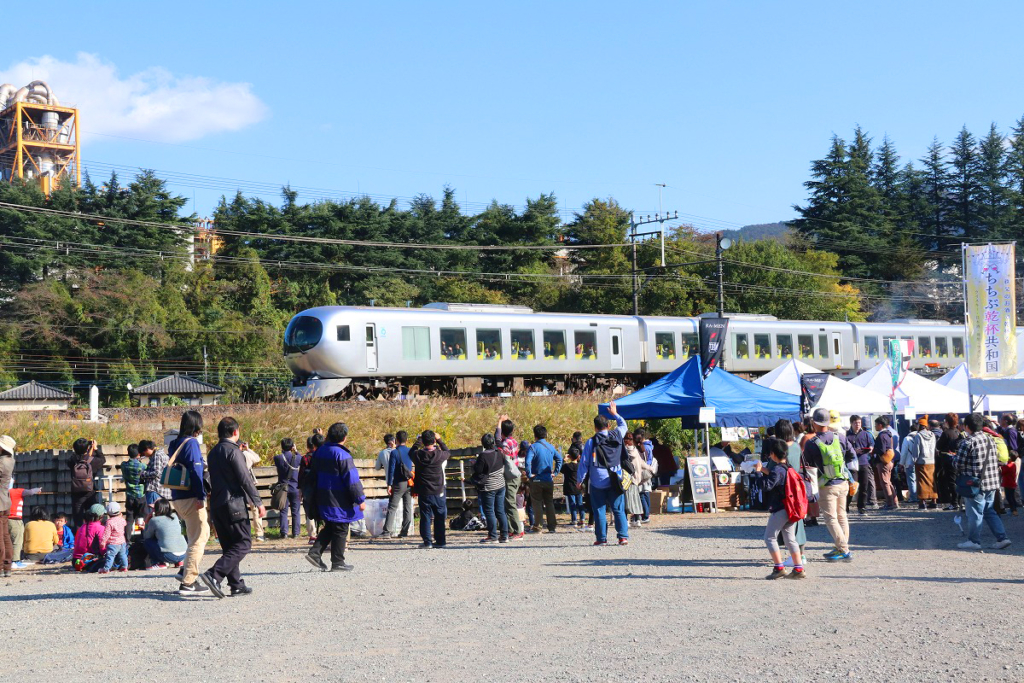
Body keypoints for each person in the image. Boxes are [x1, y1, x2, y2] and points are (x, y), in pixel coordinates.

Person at [201, 417, 266, 597]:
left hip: (216, 504)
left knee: (230, 546)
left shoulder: (213, 452)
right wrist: (258, 502)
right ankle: (214, 574)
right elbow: (245, 478)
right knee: (244, 543)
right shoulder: (233, 451)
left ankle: (236, 585)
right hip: (233, 504)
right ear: (235, 432)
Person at [305, 423, 366, 570]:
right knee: (341, 528)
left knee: (331, 526)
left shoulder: (320, 451)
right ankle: (338, 562)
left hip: (322, 495)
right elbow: (351, 479)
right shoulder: (342, 455)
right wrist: (360, 499)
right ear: (344, 437)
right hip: (338, 498)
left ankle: (315, 552)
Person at [167, 410, 211, 596]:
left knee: (197, 535)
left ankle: (183, 571)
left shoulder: (175, 443)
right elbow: (195, 470)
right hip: (192, 497)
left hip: (177, 496)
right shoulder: (192, 443)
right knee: (198, 539)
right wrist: (201, 495)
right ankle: (188, 582)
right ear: (197, 426)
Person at [955, 413, 1012, 551]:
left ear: (967, 427)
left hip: (975, 483)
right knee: (989, 511)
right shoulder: (990, 439)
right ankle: (1002, 538)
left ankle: (974, 541)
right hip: (992, 481)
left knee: (975, 513)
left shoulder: (967, 442)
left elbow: (958, 464)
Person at [577, 401, 631, 546]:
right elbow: (624, 425)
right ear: (608, 426)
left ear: (595, 428)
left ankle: (601, 539)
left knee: (599, 510)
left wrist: (580, 479)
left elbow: (584, 463)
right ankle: (623, 537)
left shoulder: (591, 442)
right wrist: (615, 413)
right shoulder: (617, 434)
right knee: (618, 509)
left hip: (597, 481)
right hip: (616, 478)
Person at [804, 407, 852, 561]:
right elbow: (851, 455)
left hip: (826, 484)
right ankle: (841, 547)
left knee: (831, 518)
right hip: (843, 481)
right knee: (842, 516)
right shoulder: (840, 437)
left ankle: (843, 549)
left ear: (814, 423)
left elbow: (808, 465)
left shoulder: (812, 443)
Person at [754, 438, 806, 579]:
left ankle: (779, 567)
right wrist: (764, 470)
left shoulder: (777, 469)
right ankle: (798, 568)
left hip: (781, 508)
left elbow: (766, 486)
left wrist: (758, 473)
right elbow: (774, 477)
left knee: (770, 537)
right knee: (790, 539)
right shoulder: (787, 467)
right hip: (791, 508)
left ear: (773, 454)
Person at [410, 430, 450, 549]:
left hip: (424, 491)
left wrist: (418, 441)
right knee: (439, 516)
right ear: (433, 441)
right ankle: (441, 540)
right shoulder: (439, 455)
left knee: (426, 516)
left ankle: (427, 542)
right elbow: (448, 452)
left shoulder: (418, 455)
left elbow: (411, 451)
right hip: (438, 490)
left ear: (423, 442)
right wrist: (440, 440)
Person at [525, 425, 562, 534]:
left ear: (535, 435)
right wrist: (555, 473)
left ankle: (538, 527)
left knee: (537, 503)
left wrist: (529, 474)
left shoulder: (533, 447)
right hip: (548, 479)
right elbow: (559, 459)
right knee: (549, 502)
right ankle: (552, 527)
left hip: (536, 479)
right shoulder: (551, 447)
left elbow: (527, 462)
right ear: (545, 434)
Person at [472, 433, 508, 543]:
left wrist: (474, 463)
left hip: (489, 486)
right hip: (501, 484)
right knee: (500, 510)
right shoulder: (499, 453)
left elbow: (478, 470)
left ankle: (493, 536)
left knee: (489, 511)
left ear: (483, 443)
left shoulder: (483, 455)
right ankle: (504, 535)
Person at [496, 414, 524, 539]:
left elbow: (497, 440)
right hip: (514, 474)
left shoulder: (505, 443)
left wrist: (499, 422)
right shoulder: (513, 441)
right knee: (508, 502)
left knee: (510, 502)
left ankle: (518, 530)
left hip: (510, 476)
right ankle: (512, 529)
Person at [68, 438, 106, 529]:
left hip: (76, 493)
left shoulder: (72, 460)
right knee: (93, 517)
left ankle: (79, 538)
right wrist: (95, 448)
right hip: (90, 492)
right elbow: (102, 459)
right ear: (87, 448)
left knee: (78, 519)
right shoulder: (92, 460)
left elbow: (77, 458)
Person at [384, 430, 414, 539]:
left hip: (398, 483)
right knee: (408, 507)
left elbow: (391, 470)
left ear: (396, 440)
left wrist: (389, 484)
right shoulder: (411, 451)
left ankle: (387, 531)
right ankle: (404, 531)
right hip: (409, 483)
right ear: (406, 440)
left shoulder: (394, 452)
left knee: (392, 507)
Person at [6, 479, 42, 568]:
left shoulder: (3, 493)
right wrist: (38, 489)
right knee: (17, 541)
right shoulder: (16, 491)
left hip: (4, 519)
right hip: (15, 519)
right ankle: (15, 561)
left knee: (6, 541)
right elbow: (30, 492)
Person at [142, 498, 187, 568]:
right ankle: (178, 562)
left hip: (169, 556)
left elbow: (147, 536)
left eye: (153, 508)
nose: (152, 510)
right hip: (183, 554)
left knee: (147, 542)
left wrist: (147, 522)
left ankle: (159, 563)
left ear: (157, 509)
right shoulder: (175, 516)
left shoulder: (154, 520)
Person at [273, 438, 303, 539]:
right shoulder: (297, 458)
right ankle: (296, 533)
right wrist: (296, 451)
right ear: (292, 446)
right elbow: (302, 459)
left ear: (281, 446)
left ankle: (284, 533)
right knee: (296, 511)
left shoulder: (277, 458)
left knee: (283, 511)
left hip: (283, 488)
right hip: (295, 487)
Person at [623, 432, 653, 527]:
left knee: (626, 501)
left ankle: (626, 521)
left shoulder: (623, 451)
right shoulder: (635, 451)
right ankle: (637, 520)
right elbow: (642, 463)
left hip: (627, 480)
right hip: (636, 480)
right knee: (636, 500)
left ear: (625, 441)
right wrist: (651, 469)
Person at [298, 433, 325, 542]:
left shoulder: (305, 458)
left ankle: (312, 535)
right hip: (320, 487)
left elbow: (301, 474)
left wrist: (300, 489)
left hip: (308, 489)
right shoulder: (322, 456)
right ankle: (324, 533)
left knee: (309, 511)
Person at [847, 415, 876, 513]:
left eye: (859, 423)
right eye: (855, 423)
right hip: (852, 463)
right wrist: (854, 451)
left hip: (864, 462)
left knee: (864, 485)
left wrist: (870, 448)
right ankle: (846, 505)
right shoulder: (847, 435)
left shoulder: (866, 434)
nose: (858, 425)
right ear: (851, 423)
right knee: (852, 486)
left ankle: (861, 506)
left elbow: (871, 444)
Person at [908, 419, 938, 509]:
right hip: (931, 461)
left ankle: (922, 502)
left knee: (921, 482)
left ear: (920, 426)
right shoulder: (932, 435)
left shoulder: (918, 436)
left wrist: (913, 460)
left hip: (921, 461)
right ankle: (934, 501)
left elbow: (916, 450)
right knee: (932, 481)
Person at [937, 413, 964, 510]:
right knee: (957, 480)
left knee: (951, 482)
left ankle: (954, 502)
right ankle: (959, 501)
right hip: (958, 458)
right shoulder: (959, 432)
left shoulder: (946, 433)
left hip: (948, 459)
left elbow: (939, 446)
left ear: (947, 422)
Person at [239, 442, 265, 542]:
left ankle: (243, 533)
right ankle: (259, 534)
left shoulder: (232, 453)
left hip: (237, 485)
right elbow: (257, 458)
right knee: (255, 509)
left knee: (240, 509)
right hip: (249, 483)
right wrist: (248, 449)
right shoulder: (246, 454)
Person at [872, 416, 899, 511]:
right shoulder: (889, 434)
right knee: (889, 482)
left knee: (885, 483)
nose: (875, 426)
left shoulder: (881, 435)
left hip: (883, 461)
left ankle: (890, 503)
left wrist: (873, 450)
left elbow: (881, 450)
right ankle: (894, 501)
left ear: (880, 425)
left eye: (876, 425)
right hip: (890, 460)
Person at [120, 444, 147, 534]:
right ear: (139, 454)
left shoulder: (123, 465)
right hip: (140, 494)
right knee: (142, 517)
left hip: (129, 495)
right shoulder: (141, 466)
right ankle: (142, 537)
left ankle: (128, 539)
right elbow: (146, 470)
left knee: (129, 518)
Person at [140, 439, 171, 515]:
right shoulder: (162, 454)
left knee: (153, 515)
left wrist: (142, 474)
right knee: (162, 515)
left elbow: (156, 473)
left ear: (147, 449)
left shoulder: (157, 455)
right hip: (162, 490)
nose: (144, 455)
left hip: (155, 490)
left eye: (143, 453)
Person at [72, 504, 106, 573]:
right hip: (89, 560)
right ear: (101, 516)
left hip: (75, 561)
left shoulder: (82, 527)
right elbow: (102, 547)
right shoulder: (100, 528)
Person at [98, 501, 128, 574]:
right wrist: (120, 516)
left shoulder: (109, 522)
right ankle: (125, 566)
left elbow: (106, 533)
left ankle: (106, 569)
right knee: (123, 555)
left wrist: (103, 542)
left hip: (113, 543)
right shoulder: (122, 520)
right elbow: (125, 523)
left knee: (110, 556)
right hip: (122, 541)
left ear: (108, 513)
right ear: (119, 511)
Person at [0, 435, 14, 577]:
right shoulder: (10, 460)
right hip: (5, 500)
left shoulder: (1, 462)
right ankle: (7, 567)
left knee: (1, 537)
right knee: (5, 535)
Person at [635, 428, 655, 522]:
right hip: (649, 472)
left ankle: (645, 515)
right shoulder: (650, 446)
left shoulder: (642, 447)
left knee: (641, 494)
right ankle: (647, 514)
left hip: (642, 472)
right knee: (646, 494)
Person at [561, 446, 584, 528]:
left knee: (572, 504)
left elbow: (561, 469)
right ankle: (582, 519)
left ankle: (574, 520)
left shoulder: (567, 466)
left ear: (569, 456)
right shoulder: (580, 466)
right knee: (580, 503)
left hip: (570, 487)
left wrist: (564, 460)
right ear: (578, 457)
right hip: (579, 486)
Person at [900, 424, 921, 505]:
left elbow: (904, 452)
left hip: (909, 462)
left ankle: (913, 497)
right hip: (920, 462)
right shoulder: (920, 437)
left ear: (910, 430)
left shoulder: (907, 439)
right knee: (919, 480)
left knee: (911, 480)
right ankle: (920, 496)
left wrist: (901, 463)